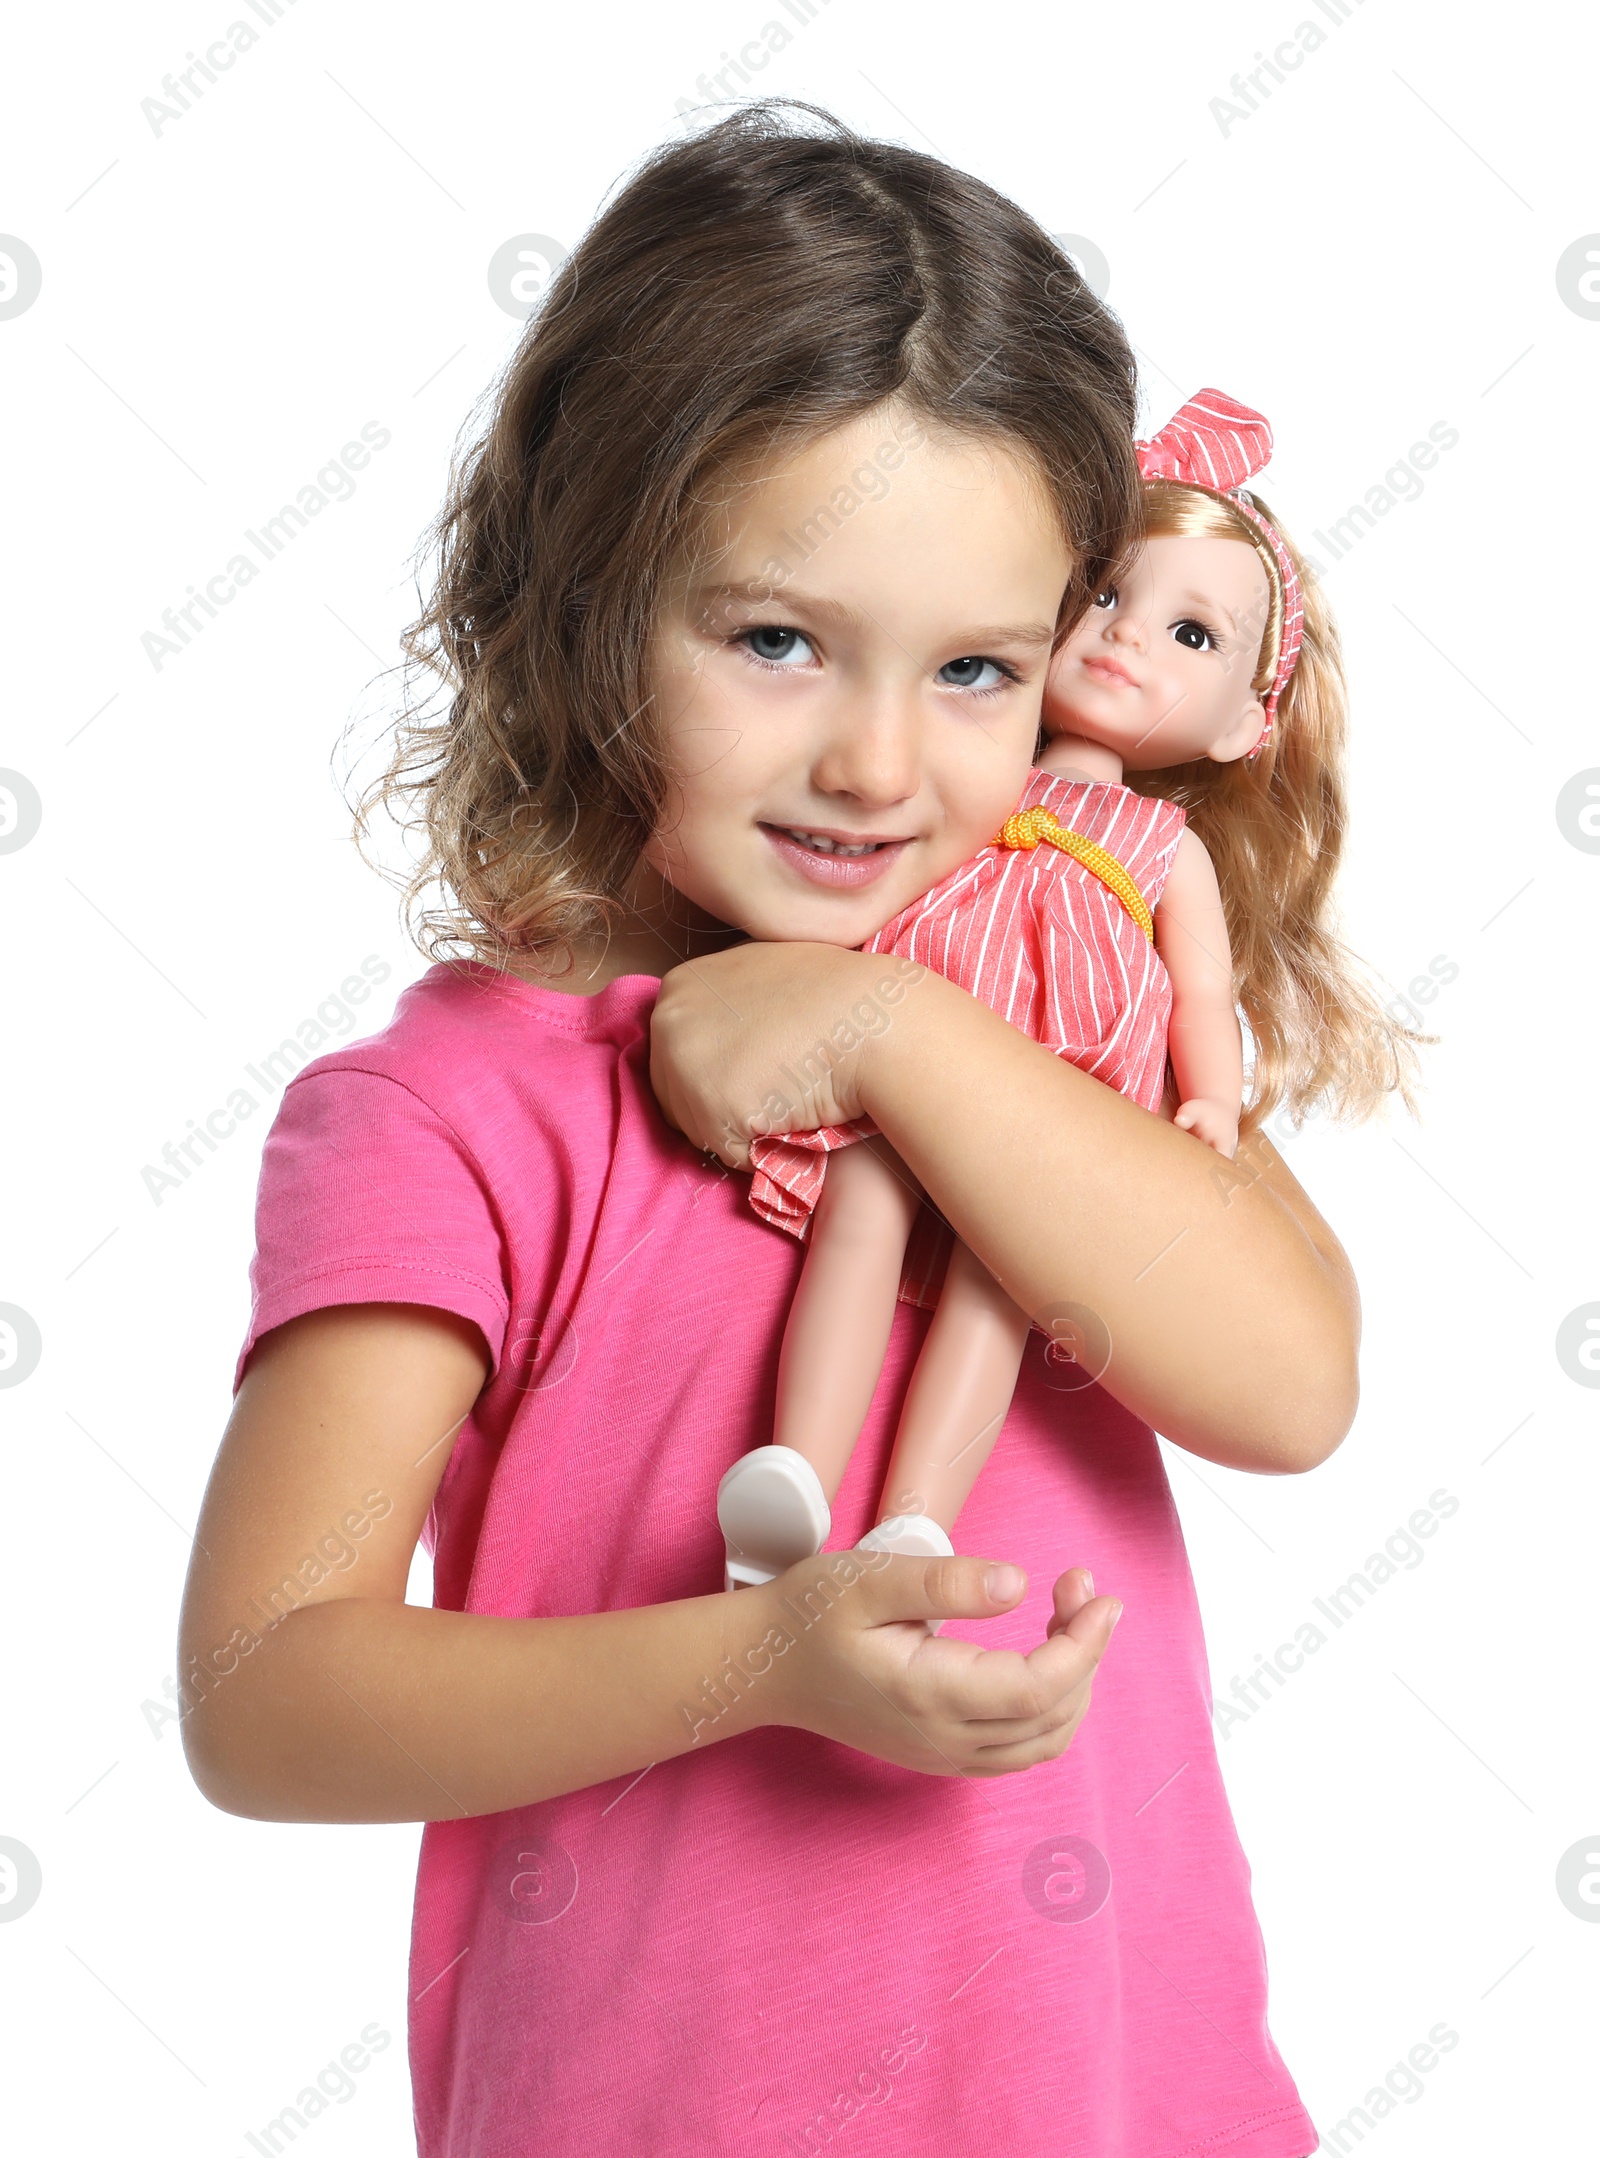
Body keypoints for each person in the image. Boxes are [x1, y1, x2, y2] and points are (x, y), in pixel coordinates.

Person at [179, 101, 1355, 2157]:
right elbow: (271, 1685)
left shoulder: (1039, 1025)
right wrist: (765, 1657)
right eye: (775, 638)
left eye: (975, 666)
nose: (875, 758)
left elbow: (1289, 1383)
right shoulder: (454, 1109)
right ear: (576, 604)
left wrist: (895, 1023)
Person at [718, 389, 1421, 1602]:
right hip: (892, 1062)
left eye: (1191, 635)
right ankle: (790, 1470)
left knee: (1001, 1283)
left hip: (1055, 1103)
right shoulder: (968, 776)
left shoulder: (1159, 846)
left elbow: (1201, 991)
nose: (1125, 638)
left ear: (1246, 721)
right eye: (1103, 595)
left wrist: (1209, 1101)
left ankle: (916, 1522)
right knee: (862, 1207)